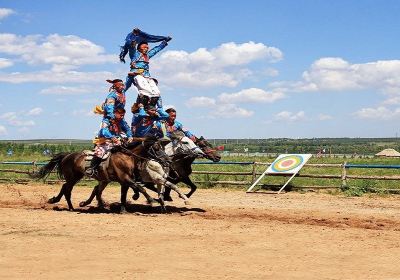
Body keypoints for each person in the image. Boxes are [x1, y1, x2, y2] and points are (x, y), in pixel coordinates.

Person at [125, 38, 171, 108]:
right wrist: (133, 42)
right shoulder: (135, 54)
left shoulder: (147, 55)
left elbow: (156, 50)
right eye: (144, 47)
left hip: (146, 75)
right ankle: (140, 108)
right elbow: (132, 49)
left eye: (147, 47)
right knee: (126, 88)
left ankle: (153, 107)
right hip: (136, 74)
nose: (146, 49)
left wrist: (164, 43)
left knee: (156, 92)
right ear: (139, 48)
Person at [86, 108, 133, 177]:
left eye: (123, 115)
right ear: (115, 113)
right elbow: (104, 130)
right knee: (99, 152)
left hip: (116, 142)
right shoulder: (107, 120)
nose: (122, 117)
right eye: (121, 115)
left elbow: (127, 129)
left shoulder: (122, 121)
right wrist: (111, 137)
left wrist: (130, 136)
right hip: (104, 141)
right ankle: (91, 168)